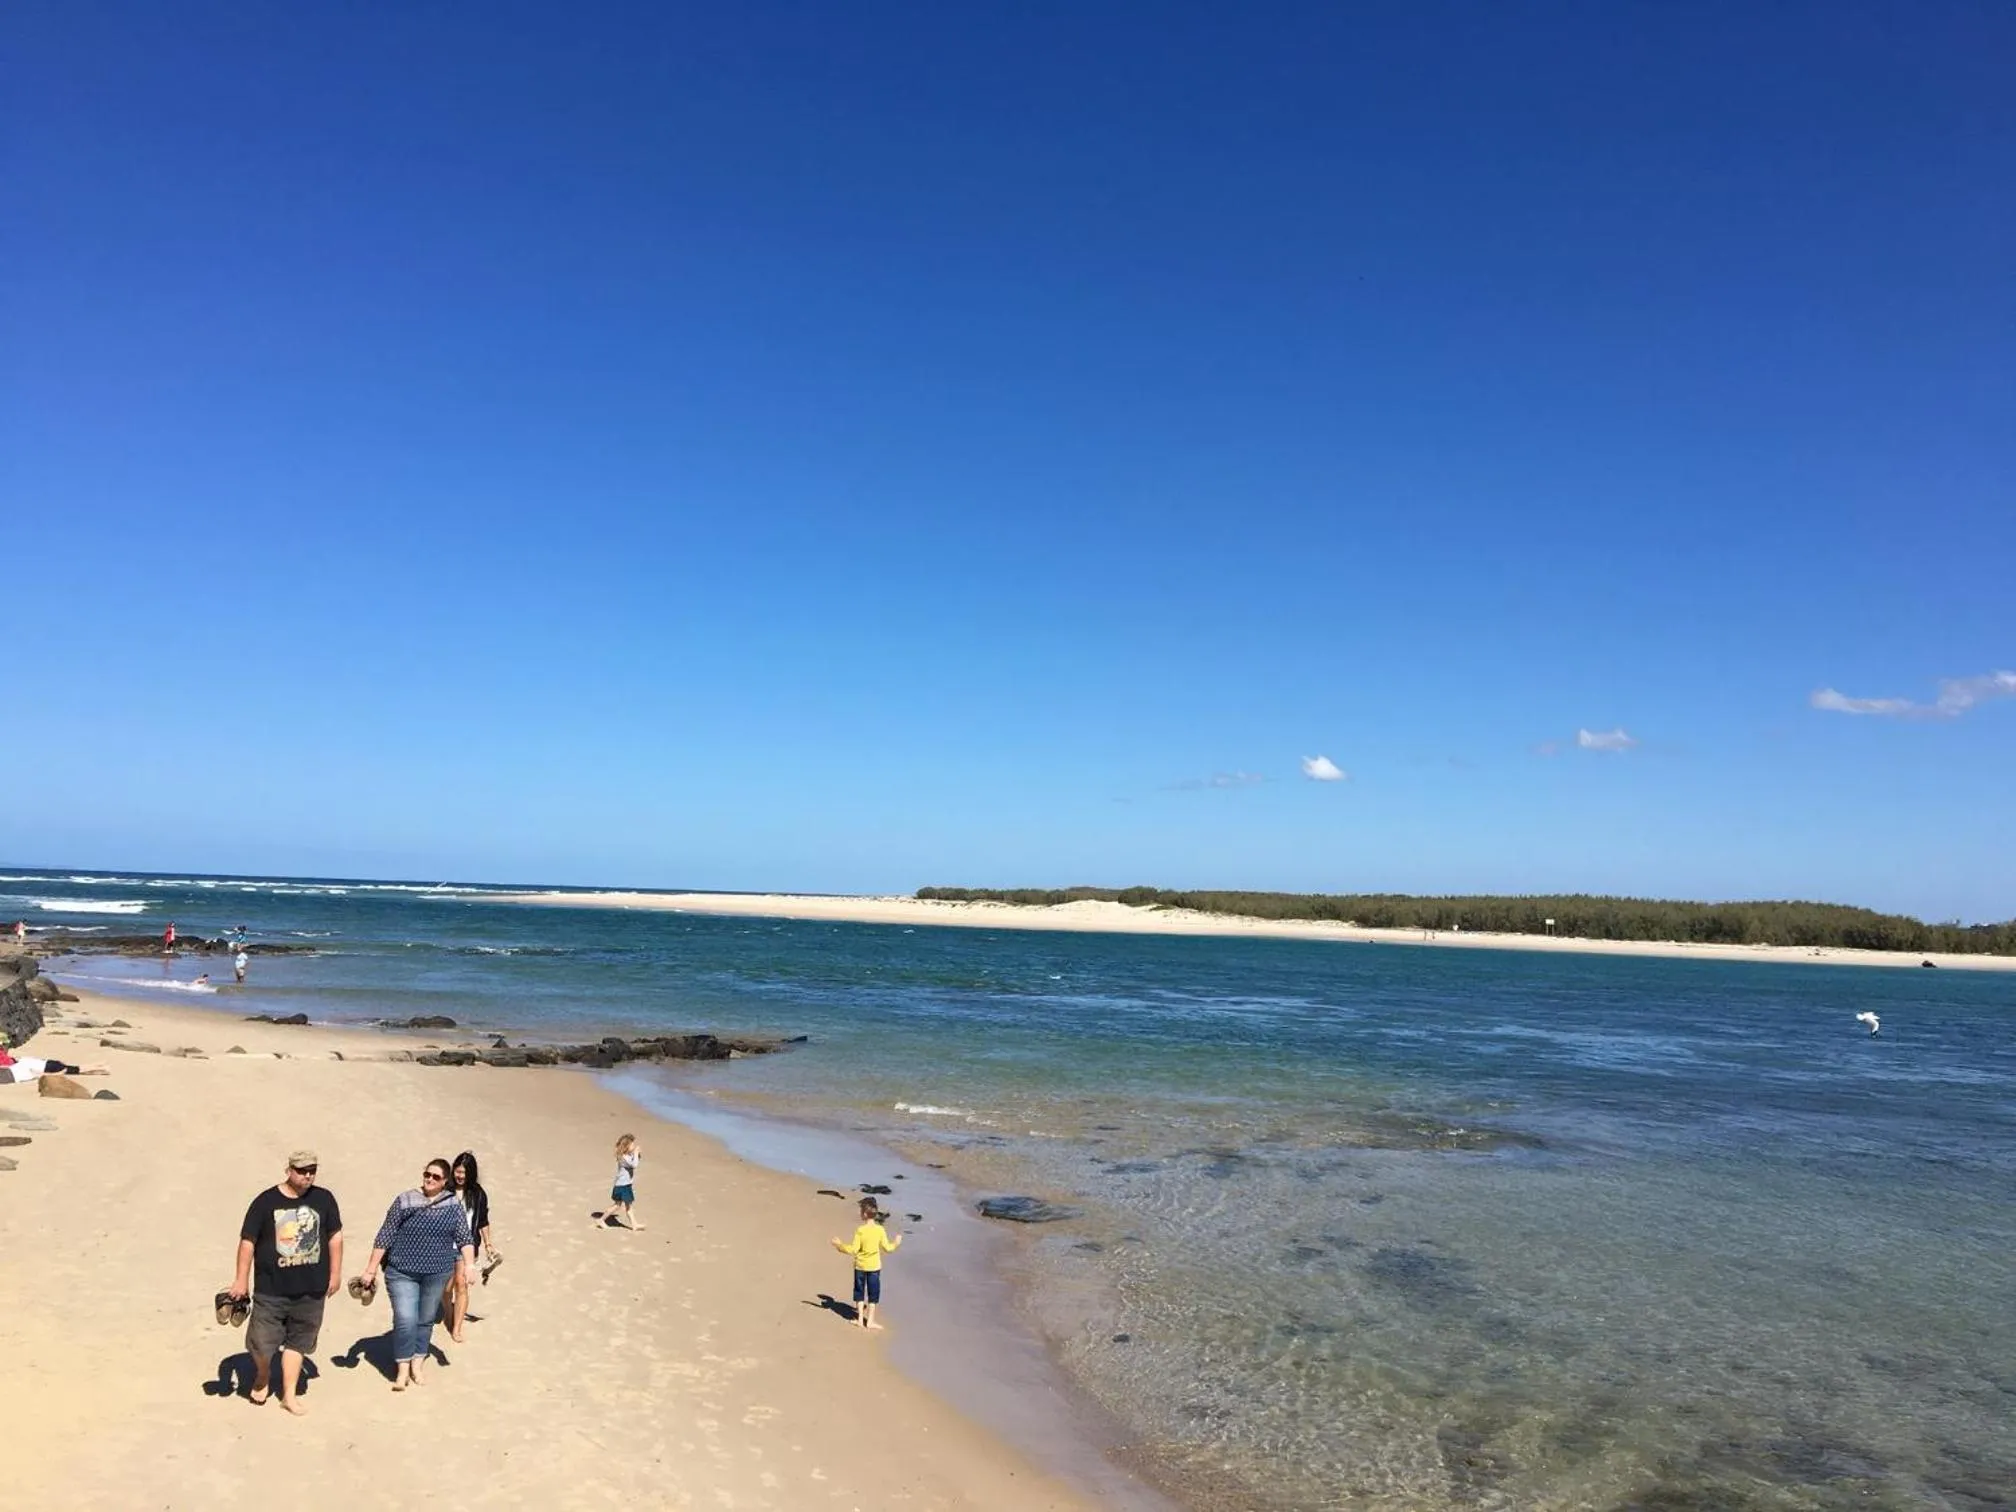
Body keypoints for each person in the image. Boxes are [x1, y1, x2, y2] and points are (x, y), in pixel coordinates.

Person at [228, 1149, 343, 1416]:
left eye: (312, 1170)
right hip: (272, 1289)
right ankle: (263, 1373)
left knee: (298, 1342)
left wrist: (335, 1273)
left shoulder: (324, 1199)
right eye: (302, 1170)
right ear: (288, 1170)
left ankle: (288, 1395)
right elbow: (247, 1242)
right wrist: (240, 1280)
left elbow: (334, 1237)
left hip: (311, 1289)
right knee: (261, 1342)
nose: (307, 1175)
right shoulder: (265, 1202)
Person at [356, 1157, 475, 1390]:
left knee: (425, 1319)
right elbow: (385, 1235)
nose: (430, 1179)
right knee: (405, 1319)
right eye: (427, 1175)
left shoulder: (452, 1205)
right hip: (401, 1271)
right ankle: (402, 1369)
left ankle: (417, 1364)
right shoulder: (405, 1200)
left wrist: (469, 1265)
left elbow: (464, 1238)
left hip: (437, 1272)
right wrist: (370, 1270)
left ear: (446, 1181)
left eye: (436, 1177)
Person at [442, 1150, 498, 1343]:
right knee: (446, 1288)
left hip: (467, 1248)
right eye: (457, 1171)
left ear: (471, 1174)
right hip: (443, 1246)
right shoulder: (445, 1191)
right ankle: (448, 1316)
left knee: (462, 1286)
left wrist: (488, 1244)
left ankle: (456, 1328)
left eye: (464, 1173)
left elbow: (482, 1220)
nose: (460, 1176)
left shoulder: (478, 1194)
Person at [831, 1197, 902, 1330]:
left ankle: (859, 1320)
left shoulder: (860, 1230)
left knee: (859, 1292)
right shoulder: (880, 1230)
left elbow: (853, 1249)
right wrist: (896, 1243)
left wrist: (839, 1245)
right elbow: (888, 1248)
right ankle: (870, 1321)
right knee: (873, 1294)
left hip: (860, 1266)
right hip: (874, 1267)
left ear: (864, 1214)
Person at [0, 1031, 108, 1081]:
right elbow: (3, 1065)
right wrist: (12, 1066)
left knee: (58, 1065)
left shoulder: (2, 1052)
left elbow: (9, 1059)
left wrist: (17, 1060)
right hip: (17, 1069)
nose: (6, 1046)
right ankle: (96, 1067)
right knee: (59, 1067)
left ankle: (96, 1068)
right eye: (4, 1044)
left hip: (20, 1065)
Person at [607, 1133, 642, 1230]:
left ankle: (634, 1224)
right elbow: (634, 1165)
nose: (634, 1146)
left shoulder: (626, 1156)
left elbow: (635, 1161)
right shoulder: (623, 1157)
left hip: (626, 1185)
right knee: (617, 1205)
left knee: (628, 1206)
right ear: (626, 1146)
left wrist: (637, 1154)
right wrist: (635, 1154)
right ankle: (601, 1219)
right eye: (632, 1144)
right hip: (622, 1186)